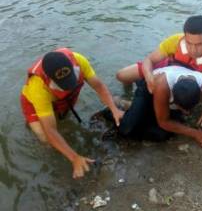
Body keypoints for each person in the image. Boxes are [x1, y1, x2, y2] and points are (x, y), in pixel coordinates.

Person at [20, 48, 124, 179]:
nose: (68, 84)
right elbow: (50, 130)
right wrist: (74, 158)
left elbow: (99, 86)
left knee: (64, 121)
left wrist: (114, 110)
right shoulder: (38, 86)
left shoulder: (79, 60)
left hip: (63, 98)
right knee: (46, 139)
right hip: (33, 103)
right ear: (49, 77)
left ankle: (61, 126)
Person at [116, 15, 202, 127]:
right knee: (121, 75)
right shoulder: (175, 41)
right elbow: (149, 60)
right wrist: (148, 76)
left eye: (198, 45)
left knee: (174, 106)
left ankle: (137, 106)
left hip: (186, 83)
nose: (193, 50)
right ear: (184, 37)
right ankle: (128, 94)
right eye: (189, 43)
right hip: (166, 68)